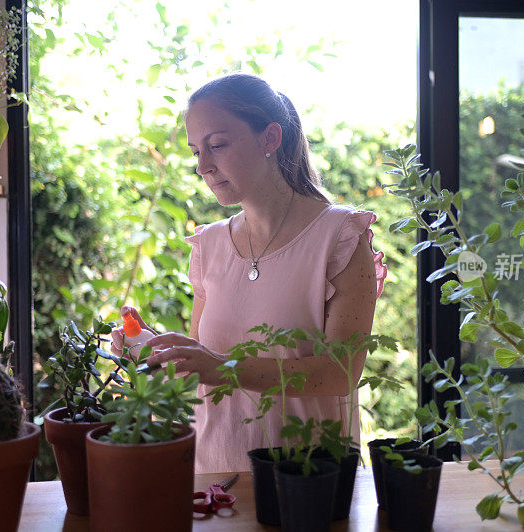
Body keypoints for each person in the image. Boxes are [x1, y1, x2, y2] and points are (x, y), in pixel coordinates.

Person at [112, 73, 387, 474]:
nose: (203, 166)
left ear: (270, 139)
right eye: (195, 152)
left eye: (217, 145)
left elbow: (338, 373)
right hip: (214, 475)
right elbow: (203, 369)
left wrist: (221, 366)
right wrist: (160, 349)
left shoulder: (341, 236)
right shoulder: (210, 246)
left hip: (306, 481)